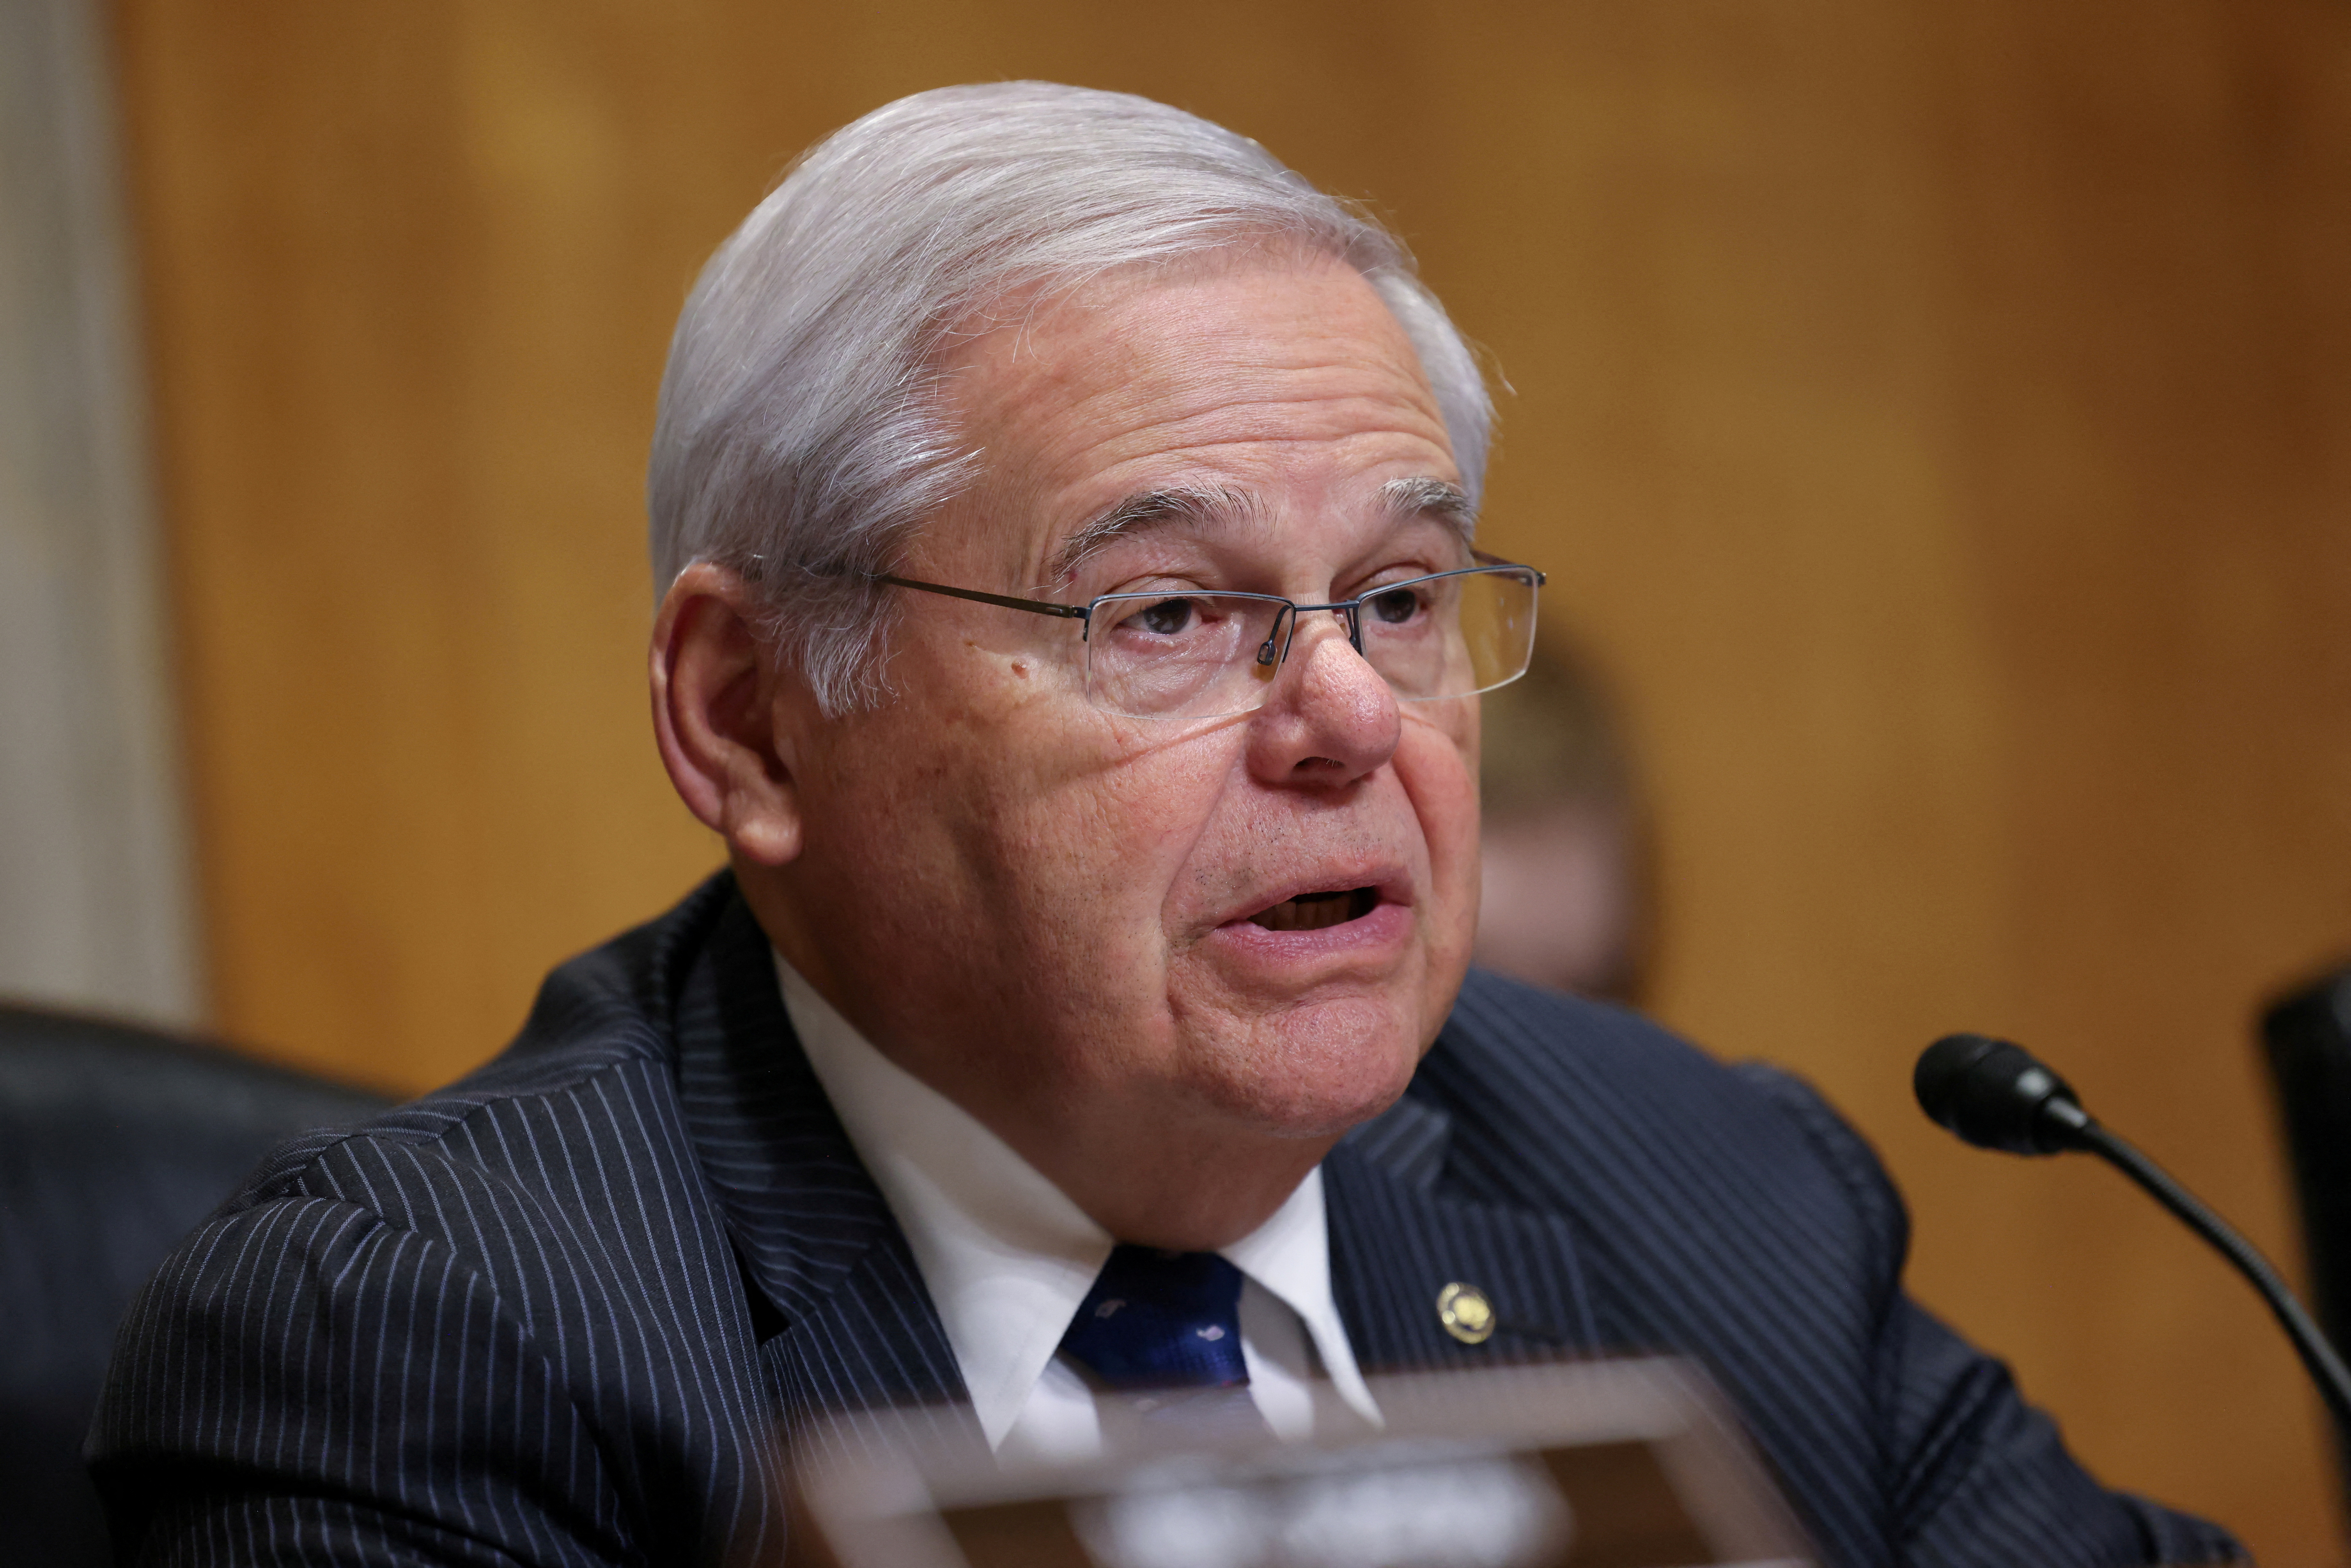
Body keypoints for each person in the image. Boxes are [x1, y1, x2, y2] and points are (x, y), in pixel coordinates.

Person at [90, 83, 2237, 1566]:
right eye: (1168, 613)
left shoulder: (1714, 1192)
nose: (1346, 716)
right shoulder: (435, 1344)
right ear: (751, 717)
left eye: (1399, 597)